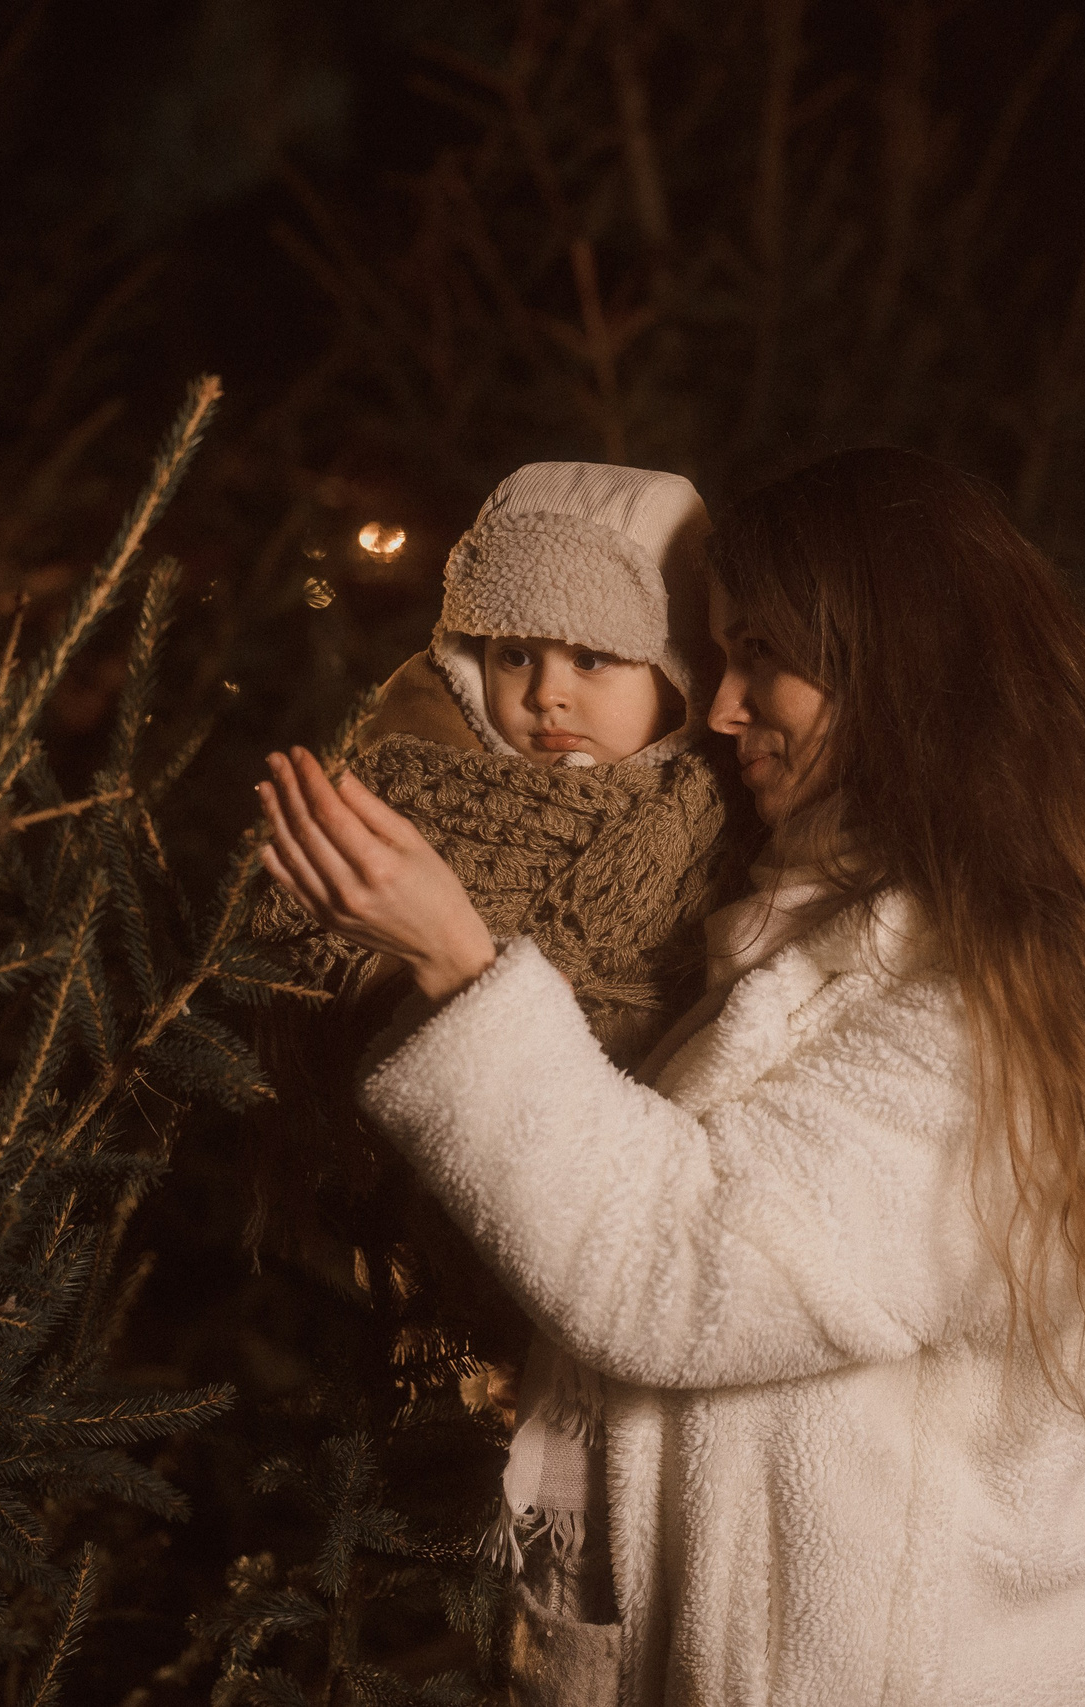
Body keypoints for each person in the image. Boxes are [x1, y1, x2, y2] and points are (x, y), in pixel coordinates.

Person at [258, 447, 1085, 1707]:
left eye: (761, 659)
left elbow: (678, 1264)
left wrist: (458, 960)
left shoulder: (998, 1009)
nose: (726, 705)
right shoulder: (818, 934)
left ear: (890, 670)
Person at [247, 462, 751, 1688]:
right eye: (514, 654)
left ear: (676, 671)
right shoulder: (403, 791)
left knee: (602, 1599)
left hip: (615, 1256)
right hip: (426, 1262)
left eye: (594, 661)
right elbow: (310, 961)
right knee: (488, 1589)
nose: (545, 696)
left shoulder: (718, 829)